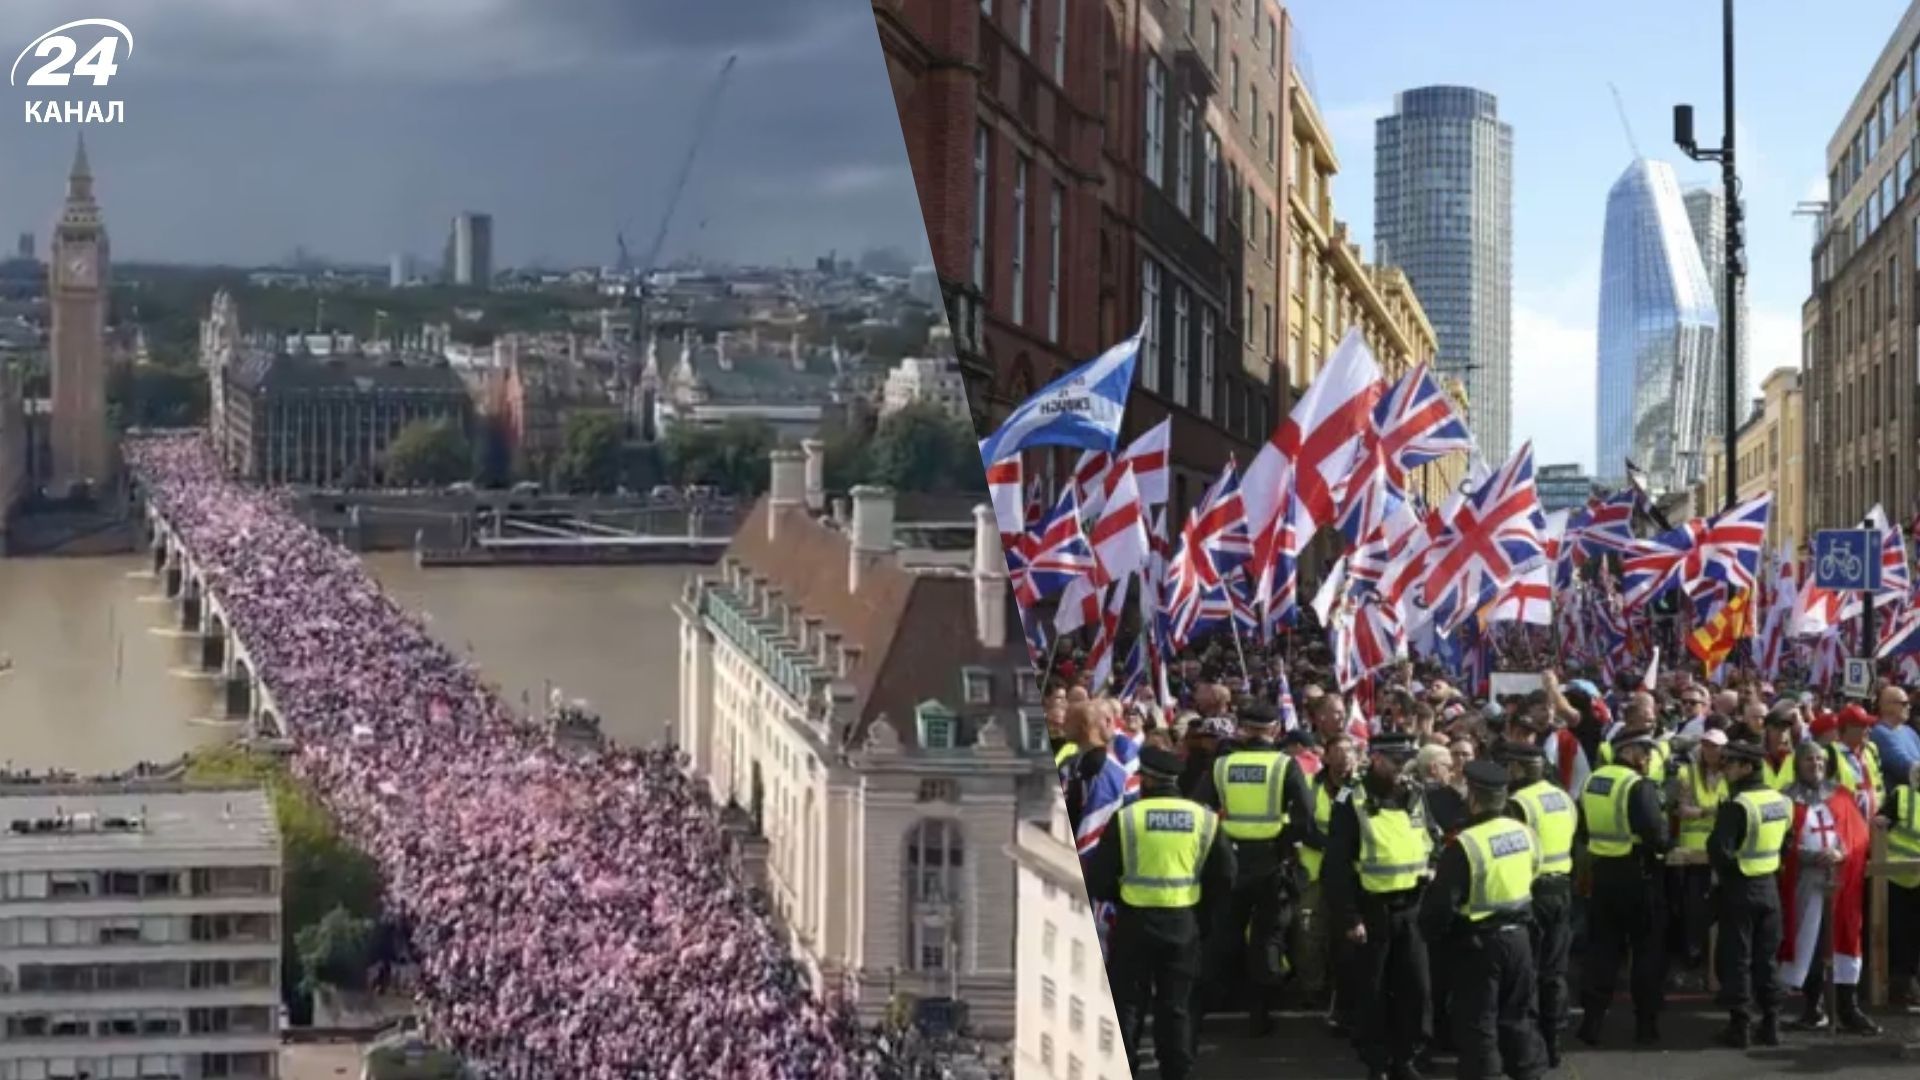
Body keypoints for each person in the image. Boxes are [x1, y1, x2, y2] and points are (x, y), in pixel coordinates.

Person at [1084, 746, 1236, 1080]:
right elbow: (1225, 874)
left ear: (1148, 780)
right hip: (1183, 923)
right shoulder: (1204, 819)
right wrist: (1202, 911)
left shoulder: (1127, 819)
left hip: (1134, 922)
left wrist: (1123, 897)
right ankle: (1176, 1071)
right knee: (1176, 1007)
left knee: (1127, 1005)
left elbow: (1098, 879)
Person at [1192, 700, 1316, 1037]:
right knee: (1267, 938)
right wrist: (1285, 840)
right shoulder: (1284, 766)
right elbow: (1305, 816)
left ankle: (1199, 1010)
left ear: (1243, 729)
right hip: (1272, 862)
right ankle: (1260, 1015)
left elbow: (1200, 811)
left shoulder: (1222, 765)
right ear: (1275, 730)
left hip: (1231, 860)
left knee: (1223, 936)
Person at [1419, 759, 1546, 1080]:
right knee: (1518, 1018)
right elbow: (1534, 873)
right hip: (1520, 937)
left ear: (1473, 799)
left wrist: (1432, 937)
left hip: (1479, 944)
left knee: (1479, 1024)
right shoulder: (1525, 833)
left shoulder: (1466, 844)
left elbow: (1440, 907)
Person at [1325, 733, 1437, 1080]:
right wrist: (1349, 916)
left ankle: (1407, 1057)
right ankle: (1377, 1062)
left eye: (1406, 760)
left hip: (1411, 907)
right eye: (1395, 761)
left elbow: (1431, 838)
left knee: (1415, 987)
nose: (1403, 768)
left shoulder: (1415, 794)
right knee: (1372, 990)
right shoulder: (1350, 799)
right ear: (1375, 759)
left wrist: (1432, 865)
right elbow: (1337, 866)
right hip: (1370, 910)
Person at [1777, 739, 1880, 1035]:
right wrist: (1803, 855)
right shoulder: (1786, 798)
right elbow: (1780, 840)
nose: (1816, 765)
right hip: (1803, 882)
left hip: (1839, 883)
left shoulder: (1841, 796)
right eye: (1810, 759)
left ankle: (1848, 1009)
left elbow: (1858, 836)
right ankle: (1813, 1008)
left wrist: (1841, 852)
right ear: (1798, 763)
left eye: (1821, 760)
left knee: (1843, 938)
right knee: (1807, 941)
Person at [1576, 730, 1671, 1046]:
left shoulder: (1593, 780)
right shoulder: (1637, 785)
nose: (1648, 758)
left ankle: (1591, 1022)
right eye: (1644, 751)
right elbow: (1655, 833)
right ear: (1627, 750)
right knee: (1646, 952)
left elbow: (1583, 827)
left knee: (1602, 950)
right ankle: (1646, 1024)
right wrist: (1665, 846)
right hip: (1638, 875)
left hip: (1603, 875)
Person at [1706, 738, 1791, 1048]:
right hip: (1769, 887)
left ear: (1746, 767)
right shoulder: (1780, 801)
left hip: (1740, 888)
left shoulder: (1737, 805)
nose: (1725, 767)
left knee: (1736, 958)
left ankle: (1739, 1026)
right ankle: (1771, 1024)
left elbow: (1718, 849)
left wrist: (1729, 875)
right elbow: (1787, 842)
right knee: (1766, 959)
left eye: (1730, 763)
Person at [1499, 741, 1574, 1067]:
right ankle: (1554, 1040)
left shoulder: (1518, 802)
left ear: (1517, 768)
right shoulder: (1561, 796)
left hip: (1532, 893)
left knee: (1525, 972)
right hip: (1561, 889)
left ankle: (1529, 1048)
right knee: (1554, 971)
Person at [1296, 729, 1355, 1027]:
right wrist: (1331, 846)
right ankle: (1313, 988)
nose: (1345, 757)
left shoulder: (1361, 789)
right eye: (1339, 751)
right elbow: (1303, 825)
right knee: (1310, 932)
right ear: (1326, 755)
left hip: (1350, 875)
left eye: (1350, 751)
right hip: (1315, 872)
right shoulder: (1309, 785)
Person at [1672, 728, 1729, 980]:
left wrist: (1702, 810)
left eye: (1715, 746)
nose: (1710, 751)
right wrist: (1713, 812)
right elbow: (1682, 810)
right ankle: (1693, 957)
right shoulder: (1687, 773)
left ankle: (1715, 963)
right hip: (1692, 853)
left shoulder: (1731, 774)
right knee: (1694, 909)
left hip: (1722, 852)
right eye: (1706, 746)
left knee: (1721, 910)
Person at [1874, 761, 1920, 1012]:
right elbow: (1881, 822)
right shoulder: (1903, 795)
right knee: (1899, 937)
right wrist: (1881, 821)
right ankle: (1899, 990)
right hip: (1895, 878)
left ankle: (1909, 988)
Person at [1868, 685, 1920, 796]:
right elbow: (1904, 767)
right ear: (1887, 706)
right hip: (1898, 806)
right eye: (1904, 704)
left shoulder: (1909, 731)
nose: (1909, 707)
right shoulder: (1880, 733)